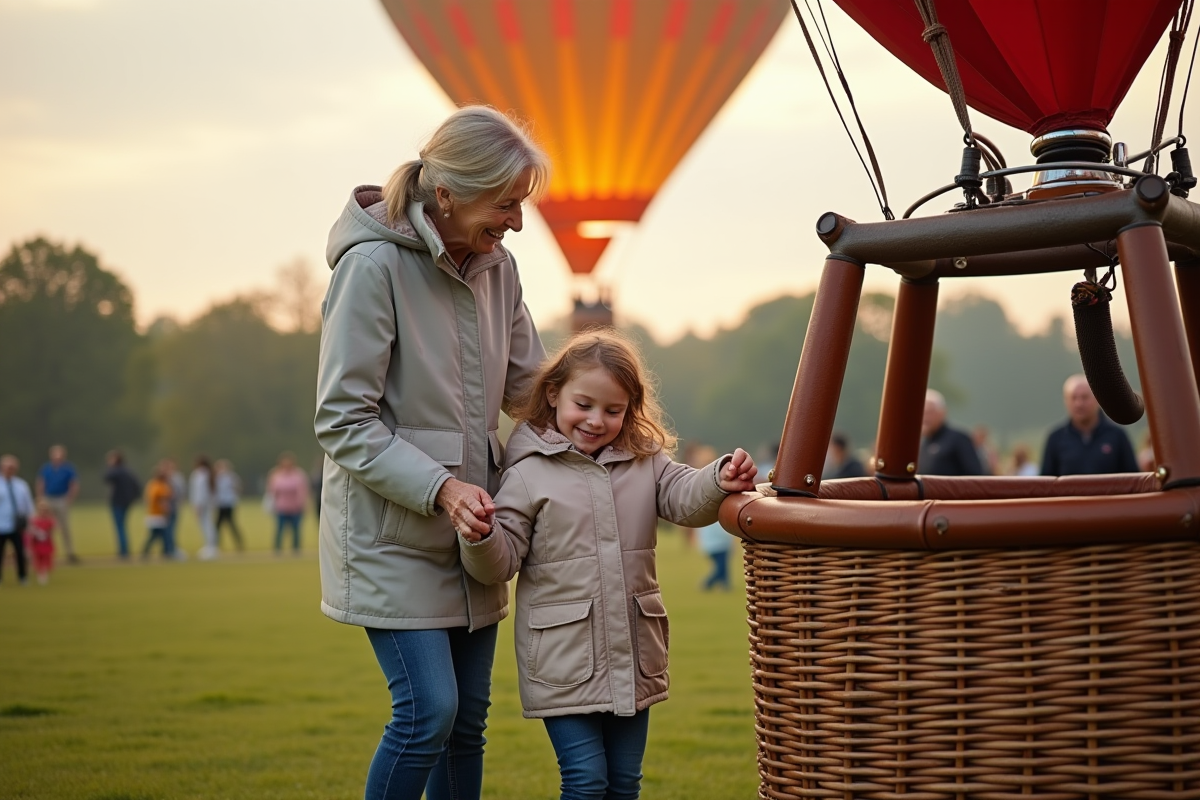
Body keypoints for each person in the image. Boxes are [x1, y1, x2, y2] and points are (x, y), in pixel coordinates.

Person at [313, 105, 549, 800]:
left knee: (468, 724)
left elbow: (530, 391)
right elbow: (342, 420)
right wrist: (444, 489)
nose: (516, 222)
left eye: (521, 204)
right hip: (394, 533)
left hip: (477, 537)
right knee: (427, 714)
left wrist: (610, 416)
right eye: (505, 203)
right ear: (446, 194)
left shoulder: (499, 270)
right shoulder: (371, 268)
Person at [457, 330, 758, 799]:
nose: (597, 420)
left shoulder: (645, 461)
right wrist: (481, 536)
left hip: (633, 652)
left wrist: (718, 478)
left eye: (613, 410)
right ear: (553, 393)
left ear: (630, 409)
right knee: (585, 781)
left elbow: (684, 498)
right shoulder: (526, 471)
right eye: (585, 404)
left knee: (623, 785)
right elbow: (501, 562)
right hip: (563, 659)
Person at [1040, 374, 1139, 476]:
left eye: (1085, 397)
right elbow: (1046, 484)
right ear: (1066, 401)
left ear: (1098, 399)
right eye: (1073, 398)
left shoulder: (1117, 436)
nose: (1079, 404)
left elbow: (1133, 479)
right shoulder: (1055, 438)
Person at [918, 390, 985, 476]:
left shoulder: (959, 439)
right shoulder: (922, 443)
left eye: (929, 412)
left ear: (942, 412)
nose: (925, 417)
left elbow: (974, 475)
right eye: (922, 413)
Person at [36, 444, 79, 563]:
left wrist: (69, 498)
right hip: (48, 498)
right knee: (45, 526)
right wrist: (40, 498)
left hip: (61, 498)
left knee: (65, 527)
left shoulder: (68, 468)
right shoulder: (46, 468)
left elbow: (73, 484)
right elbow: (41, 482)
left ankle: (70, 552)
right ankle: (45, 552)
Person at [1, 454, 35, 585]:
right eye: (8, 467)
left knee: (20, 552)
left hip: (17, 525)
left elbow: (28, 505)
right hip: (1, 524)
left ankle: (22, 576)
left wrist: (30, 520)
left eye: (13, 467)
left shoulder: (21, 485)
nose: (10, 470)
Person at [266, 452, 308, 554]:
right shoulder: (276, 475)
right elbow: (272, 491)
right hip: (281, 507)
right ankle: (278, 549)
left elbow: (302, 491)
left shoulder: (298, 475)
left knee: (296, 529)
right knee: (279, 529)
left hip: (295, 507)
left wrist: (303, 504)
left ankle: (296, 549)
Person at [103, 449, 141, 559]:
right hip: (126, 502)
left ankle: (123, 551)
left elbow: (106, 477)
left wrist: (110, 466)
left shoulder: (116, 471)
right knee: (123, 526)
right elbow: (137, 485)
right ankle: (124, 550)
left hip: (118, 502)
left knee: (119, 527)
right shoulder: (128, 471)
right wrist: (133, 498)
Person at [142, 462, 175, 558]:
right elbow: (162, 501)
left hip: (152, 513)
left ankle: (149, 552)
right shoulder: (161, 487)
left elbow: (147, 500)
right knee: (162, 535)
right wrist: (167, 510)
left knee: (155, 535)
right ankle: (166, 552)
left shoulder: (151, 484)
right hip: (158, 514)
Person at [189, 456, 218, 560]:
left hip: (202, 503)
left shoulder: (199, 474)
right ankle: (211, 546)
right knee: (209, 525)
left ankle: (210, 547)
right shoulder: (209, 473)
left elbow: (199, 491)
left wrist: (197, 505)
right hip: (209, 503)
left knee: (205, 525)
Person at [213, 459, 244, 552]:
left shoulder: (232, 477)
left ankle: (239, 544)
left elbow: (238, 488)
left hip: (229, 503)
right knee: (217, 526)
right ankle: (215, 545)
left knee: (231, 525)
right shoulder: (216, 478)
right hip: (220, 504)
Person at [26, 498, 57, 584]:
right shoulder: (34, 519)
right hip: (36, 543)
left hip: (46, 542)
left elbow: (54, 528)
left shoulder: (50, 519)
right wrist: (36, 532)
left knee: (46, 557)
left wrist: (47, 532)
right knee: (37, 558)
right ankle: (40, 573)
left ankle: (44, 573)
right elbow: (30, 530)